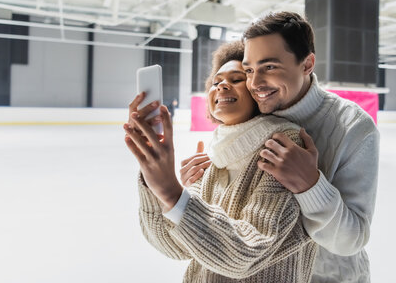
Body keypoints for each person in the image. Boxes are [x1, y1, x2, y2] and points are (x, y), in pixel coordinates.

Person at [181, 12, 380, 283]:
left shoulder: (353, 126)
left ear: (307, 64)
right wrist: (197, 187)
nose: (255, 83)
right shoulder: (252, 114)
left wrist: (311, 185)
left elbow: (352, 239)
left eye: (269, 67)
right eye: (249, 70)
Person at [124, 41, 317, 282]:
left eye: (236, 79)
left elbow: (247, 254)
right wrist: (155, 182)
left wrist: (173, 193)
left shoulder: (284, 146)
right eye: (215, 82)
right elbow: (172, 246)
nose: (222, 85)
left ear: (259, 90)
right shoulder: (215, 157)